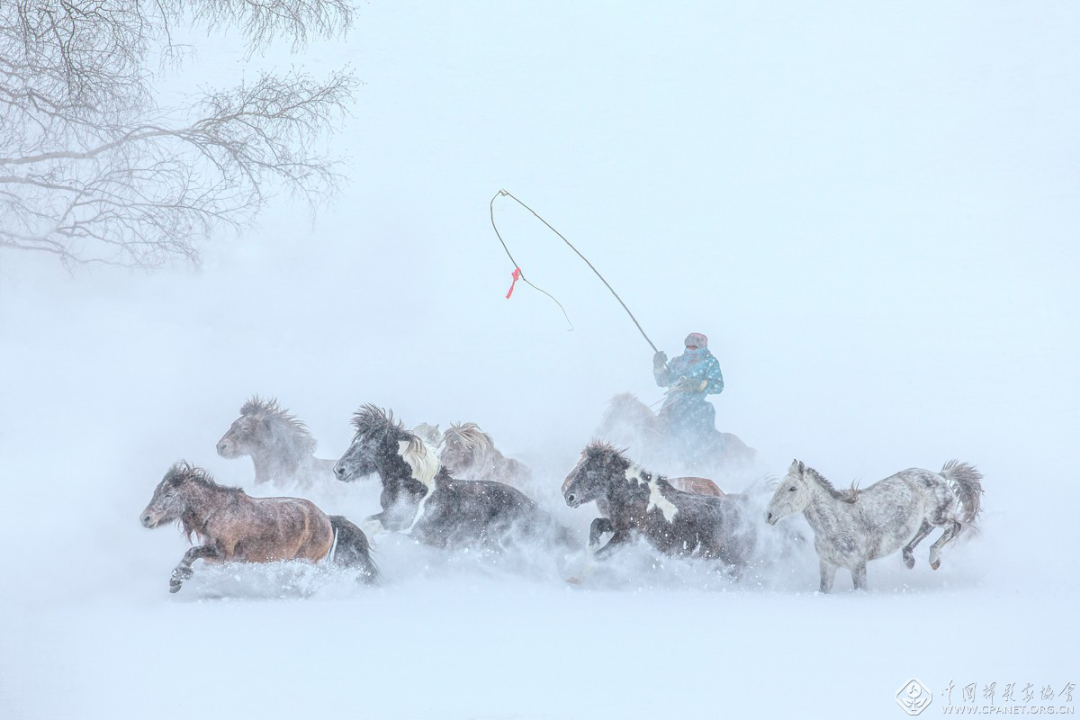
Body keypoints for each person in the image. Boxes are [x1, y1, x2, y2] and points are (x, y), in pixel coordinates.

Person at [652, 332, 724, 451]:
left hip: (695, 407)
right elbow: (662, 381)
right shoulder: (676, 361)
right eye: (688, 346)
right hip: (670, 405)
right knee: (657, 432)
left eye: (694, 347)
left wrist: (696, 384)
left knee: (689, 439)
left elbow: (718, 385)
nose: (691, 349)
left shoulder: (709, 362)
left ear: (702, 347)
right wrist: (658, 365)